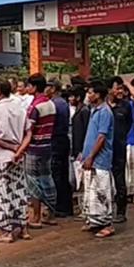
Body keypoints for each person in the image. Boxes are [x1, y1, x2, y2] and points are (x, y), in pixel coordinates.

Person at [0, 79, 33, 243]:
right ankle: (23, 227)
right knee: (19, 191)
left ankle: (7, 231)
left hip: (2, 157)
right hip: (18, 157)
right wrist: (19, 150)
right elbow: (28, 133)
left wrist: (13, 149)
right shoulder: (20, 109)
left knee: (2, 193)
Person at [81, 81, 116, 238]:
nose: (88, 95)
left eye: (90, 92)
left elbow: (102, 137)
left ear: (98, 94)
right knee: (91, 191)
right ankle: (95, 220)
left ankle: (108, 224)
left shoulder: (104, 112)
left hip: (100, 159)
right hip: (91, 157)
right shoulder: (94, 110)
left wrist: (91, 156)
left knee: (102, 191)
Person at [24, 73, 58, 228]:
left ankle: (36, 217)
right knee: (47, 179)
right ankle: (50, 214)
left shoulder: (34, 106)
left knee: (32, 182)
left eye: (29, 85)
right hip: (47, 146)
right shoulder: (51, 104)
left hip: (34, 148)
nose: (27, 88)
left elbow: (28, 129)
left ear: (35, 87)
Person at [108, 76, 133, 224]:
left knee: (119, 180)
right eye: (117, 88)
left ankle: (121, 211)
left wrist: (121, 137)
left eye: (121, 89)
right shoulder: (102, 106)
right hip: (104, 149)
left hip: (119, 148)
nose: (120, 92)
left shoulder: (126, 106)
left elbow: (128, 123)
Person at [46, 80, 73, 217]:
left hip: (56, 140)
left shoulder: (54, 104)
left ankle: (59, 206)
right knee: (63, 173)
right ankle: (66, 206)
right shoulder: (63, 102)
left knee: (57, 173)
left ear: (52, 88)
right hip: (62, 139)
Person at [70, 86, 90, 213]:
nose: (70, 99)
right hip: (76, 148)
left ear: (78, 97)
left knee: (82, 180)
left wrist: (83, 150)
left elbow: (87, 131)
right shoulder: (78, 110)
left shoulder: (84, 111)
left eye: (72, 96)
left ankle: (85, 207)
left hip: (81, 149)